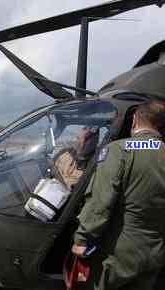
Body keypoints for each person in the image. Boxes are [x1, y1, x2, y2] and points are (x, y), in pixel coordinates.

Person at [71, 100, 165, 290]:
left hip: (118, 253)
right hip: (156, 252)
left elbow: (101, 201)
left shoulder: (119, 150)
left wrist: (82, 239)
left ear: (134, 122)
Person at [54, 125, 99, 189]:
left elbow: (73, 188)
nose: (74, 140)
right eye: (76, 137)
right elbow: (49, 169)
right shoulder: (64, 153)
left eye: (78, 138)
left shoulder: (92, 166)